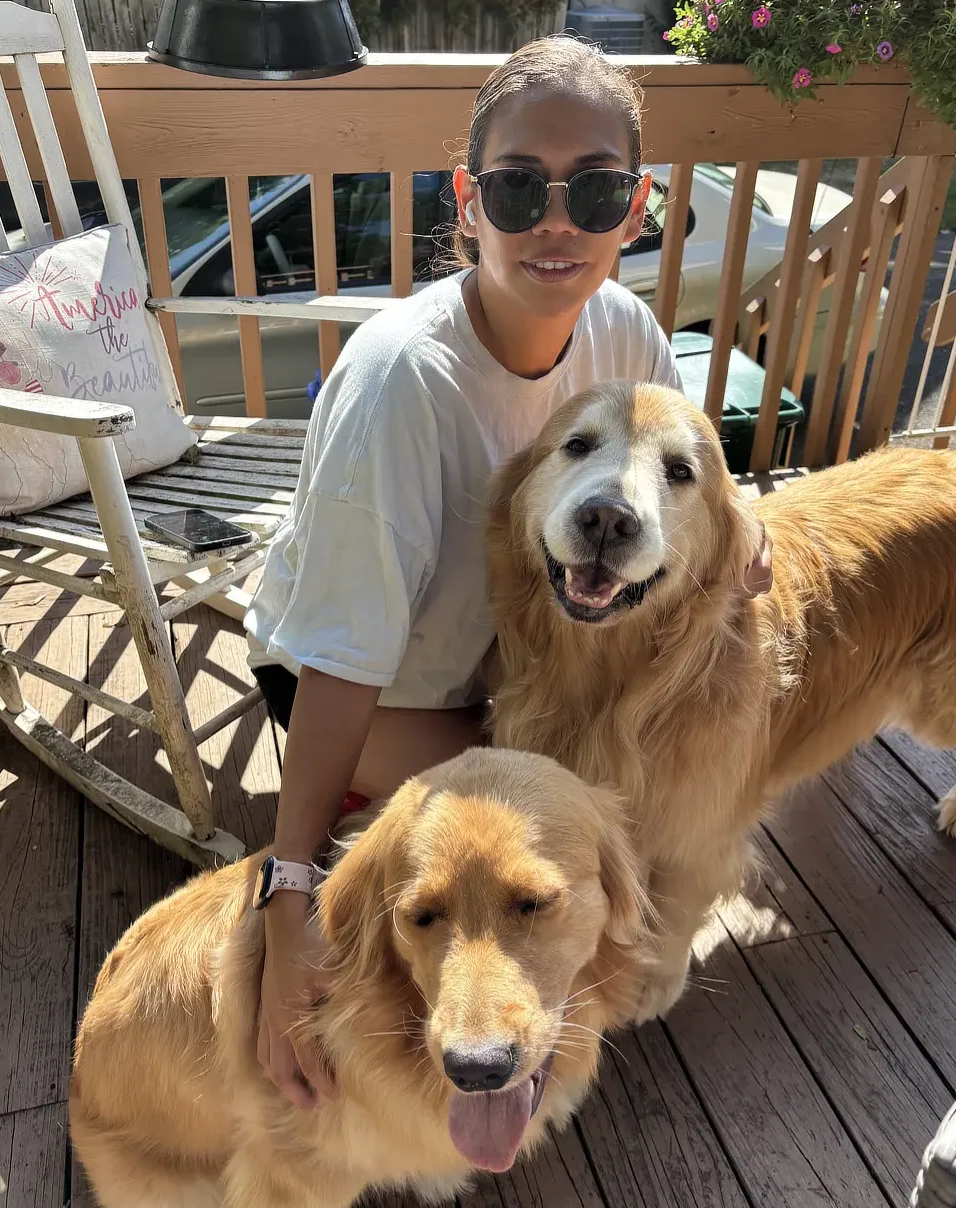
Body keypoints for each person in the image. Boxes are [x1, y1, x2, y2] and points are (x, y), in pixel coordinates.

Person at [243, 34, 772, 1109]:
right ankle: (519, 1010)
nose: (557, 222)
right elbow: (338, 658)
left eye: (597, 189)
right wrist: (289, 890)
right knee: (592, 796)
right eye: (519, 187)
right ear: (470, 198)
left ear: (638, 208)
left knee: (635, 758)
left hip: (512, 671)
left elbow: (688, 475)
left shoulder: (620, 327)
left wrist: (743, 513)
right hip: (377, 689)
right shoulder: (402, 381)